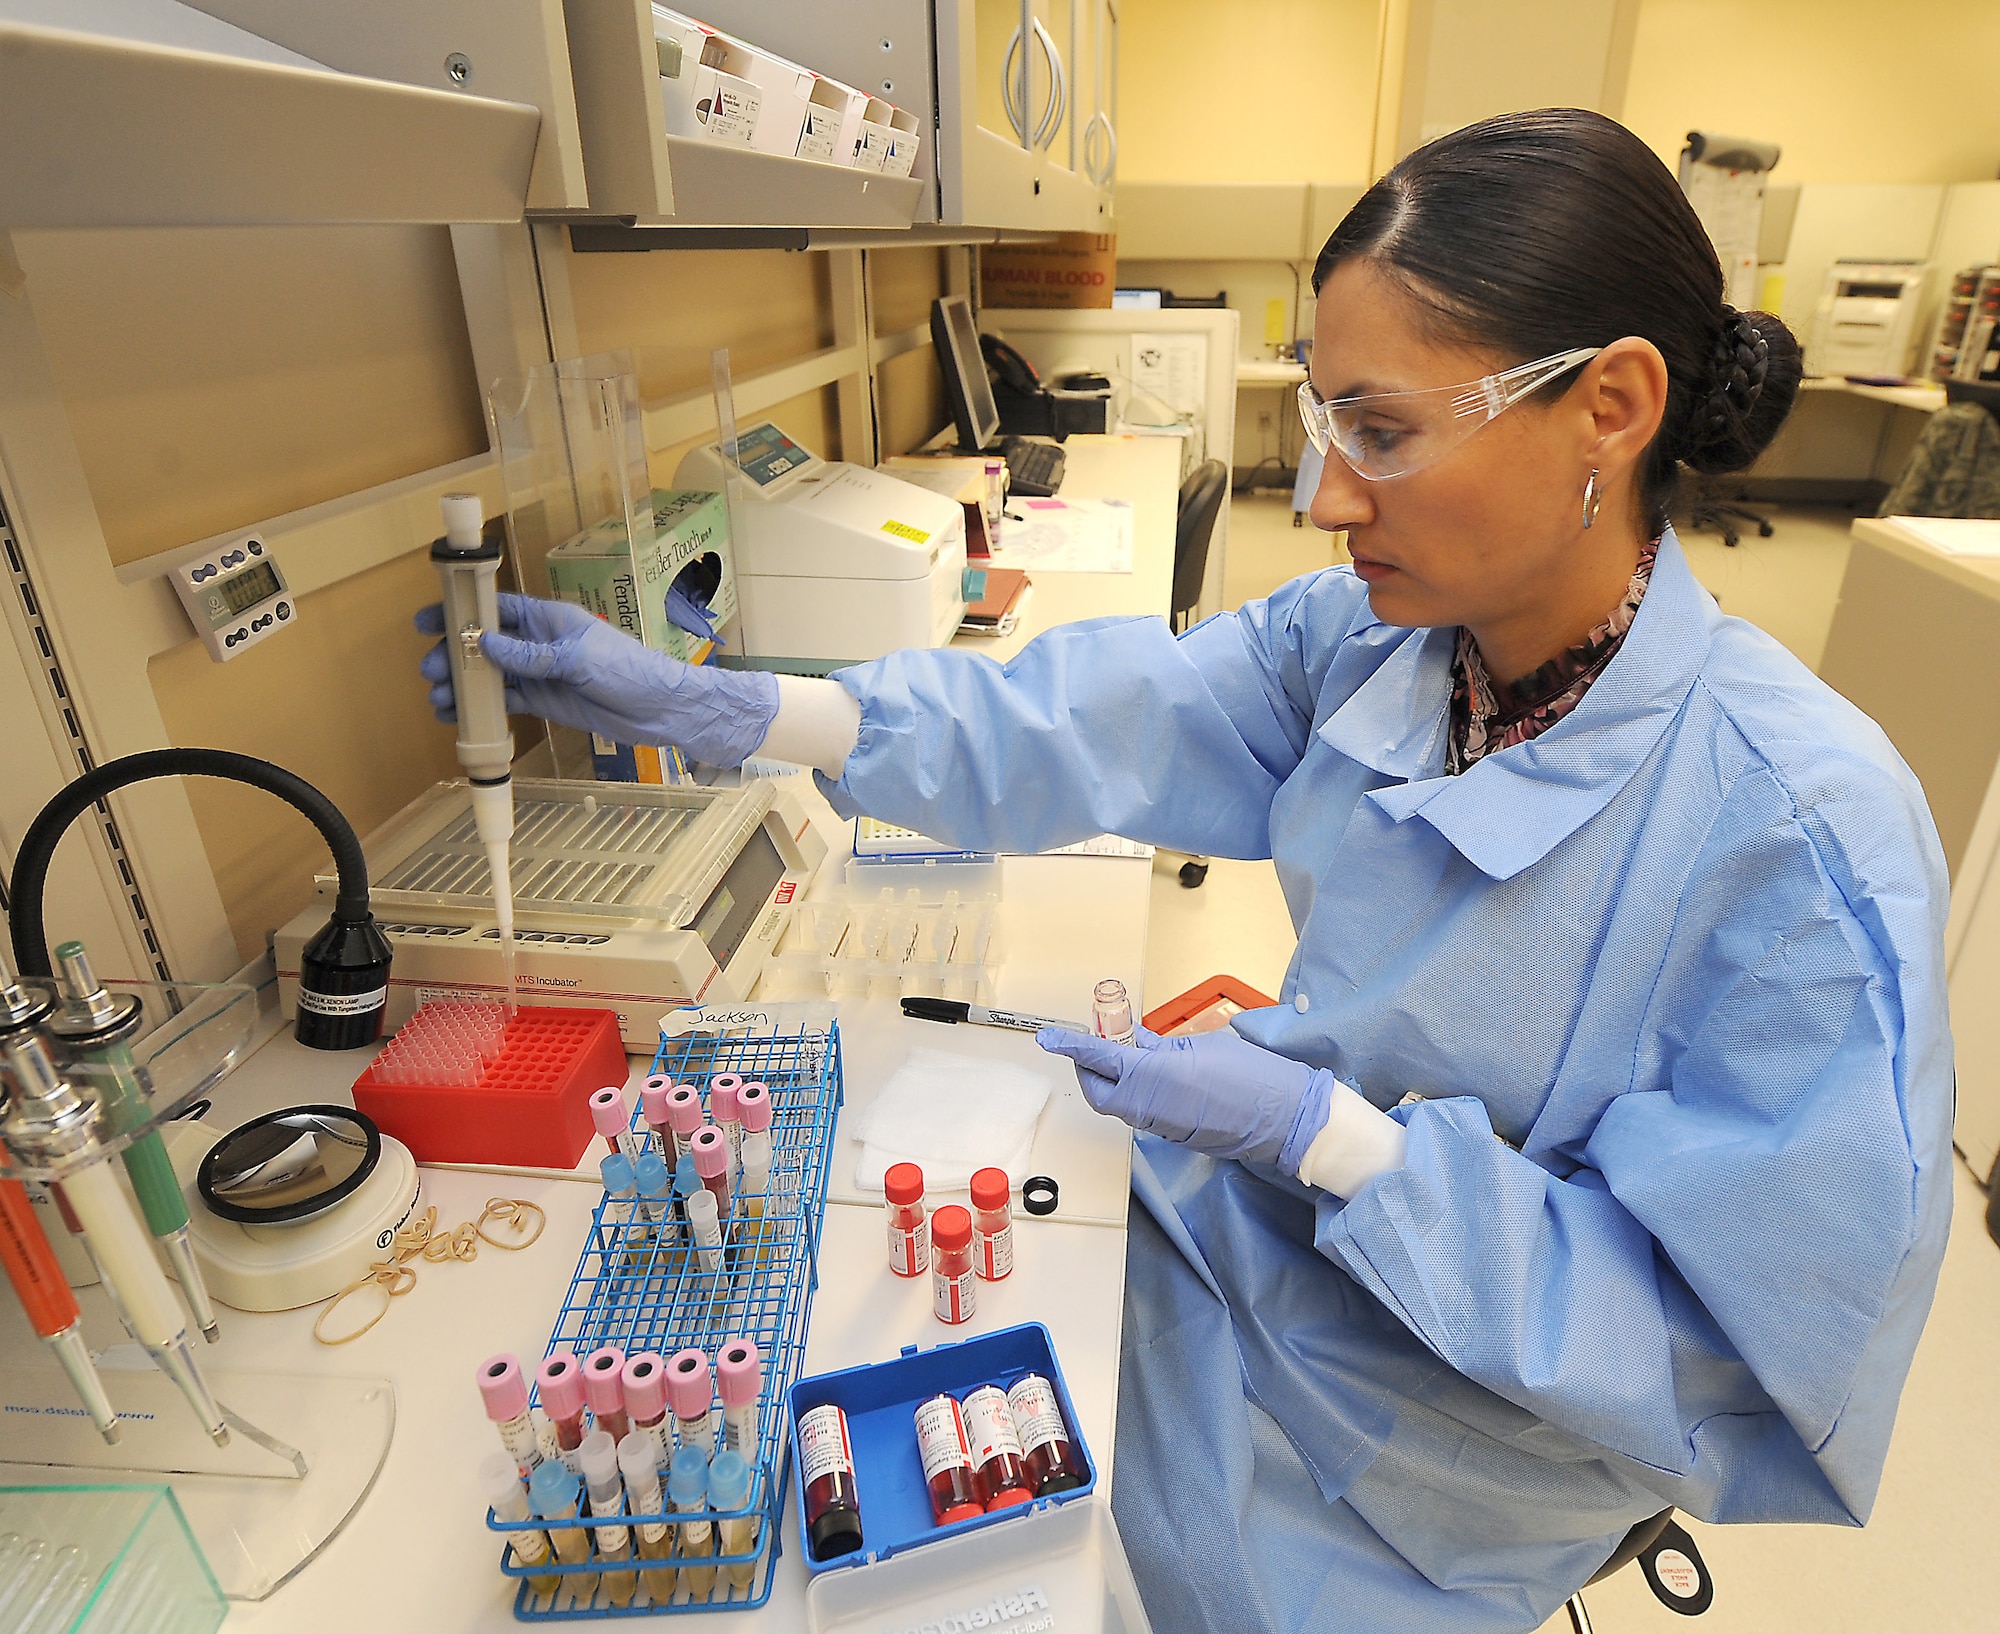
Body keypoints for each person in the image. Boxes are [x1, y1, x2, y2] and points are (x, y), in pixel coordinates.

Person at [420, 109, 1953, 1634]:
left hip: (1440, 1453)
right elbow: (1092, 718)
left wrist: (1343, 1142)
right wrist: (751, 708)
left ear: (1610, 405)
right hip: (1251, 1249)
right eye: (1324, 425)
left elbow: (1723, 1355)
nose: (1329, 497)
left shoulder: (1799, 841)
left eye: (1386, 431)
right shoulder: (1388, 645)